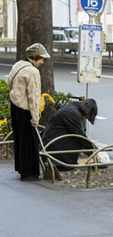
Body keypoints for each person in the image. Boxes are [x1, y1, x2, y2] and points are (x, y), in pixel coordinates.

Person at [8, 43, 50, 181]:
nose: (43, 62)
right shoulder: (33, 72)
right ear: (36, 57)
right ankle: (29, 173)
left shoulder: (18, 64)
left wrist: (15, 95)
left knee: (20, 139)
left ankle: (21, 169)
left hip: (15, 105)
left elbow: (9, 82)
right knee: (29, 142)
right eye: (42, 59)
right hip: (25, 109)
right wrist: (35, 118)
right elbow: (33, 96)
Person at [41, 99, 99, 171]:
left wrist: (87, 149)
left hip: (51, 144)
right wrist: (93, 151)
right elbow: (79, 135)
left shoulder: (71, 108)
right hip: (55, 149)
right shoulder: (72, 113)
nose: (85, 117)